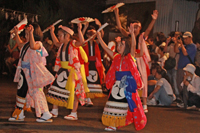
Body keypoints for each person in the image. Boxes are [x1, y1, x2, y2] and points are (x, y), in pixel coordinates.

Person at [97, 23, 146, 131]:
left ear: (126, 46)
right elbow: (105, 47)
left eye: (121, 45)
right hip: (117, 84)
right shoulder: (116, 57)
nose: (118, 47)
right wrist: (99, 37)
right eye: (118, 45)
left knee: (121, 105)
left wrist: (132, 34)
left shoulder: (130, 56)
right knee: (112, 103)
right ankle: (113, 124)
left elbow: (133, 45)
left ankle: (114, 124)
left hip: (126, 85)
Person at [114, 8, 158, 113]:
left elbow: (148, 30)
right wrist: (116, 14)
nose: (135, 28)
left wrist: (153, 20)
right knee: (128, 79)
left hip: (139, 59)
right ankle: (127, 101)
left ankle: (145, 104)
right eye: (134, 26)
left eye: (137, 26)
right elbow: (120, 27)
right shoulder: (128, 35)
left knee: (142, 80)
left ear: (140, 28)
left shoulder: (142, 36)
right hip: (130, 59)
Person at [8, 23, 55, 122]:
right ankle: (19, 113)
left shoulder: (38, 44)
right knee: (21, 92)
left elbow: (33, 46)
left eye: (28, 34)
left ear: (34, 34)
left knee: (36, 92)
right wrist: (16, 33)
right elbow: (20, 44)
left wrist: (31, 33)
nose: (26, 36)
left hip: (33, 74)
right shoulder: (25, 44)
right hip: (25, 72)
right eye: (25, 34)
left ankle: (46, 113)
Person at [46, 23, 89, 120]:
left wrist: (79, 30)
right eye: (58, 35)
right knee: (55, 89)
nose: (58, 37)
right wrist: (52, 32)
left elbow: (82, 42)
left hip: (72, 71)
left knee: (73, 92)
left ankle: (74, 113)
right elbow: (56, 43)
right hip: (62, 70)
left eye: (60, 35)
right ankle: (54, 110)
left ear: (67, 36)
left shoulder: (72, 43)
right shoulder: (61, 45)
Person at [81, 19, 106, 106]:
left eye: (93, 34)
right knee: (86, 81)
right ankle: (86, 99)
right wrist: (85, 27)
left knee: (92, 81)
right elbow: (81, 37)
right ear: (87, 35)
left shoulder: (96, 42)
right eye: (90, 34)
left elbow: (101, 35)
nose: (92, 36)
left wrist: (100, 26)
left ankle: (89, 99)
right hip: (86, 64)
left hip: (95, 64)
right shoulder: (84, 43)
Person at [174, 31, 197, 101]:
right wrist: (176, 43)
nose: (184, 40)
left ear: (191, 38)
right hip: (181, 67)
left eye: (186, 38)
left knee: (185, 84)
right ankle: (182, 99)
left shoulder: (193, 46)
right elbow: (176, 51)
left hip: (188, 69)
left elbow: (185, 53)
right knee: (179, 83)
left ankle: (186, 100)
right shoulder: (184, 46)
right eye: (183, 39)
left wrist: (181, 44)